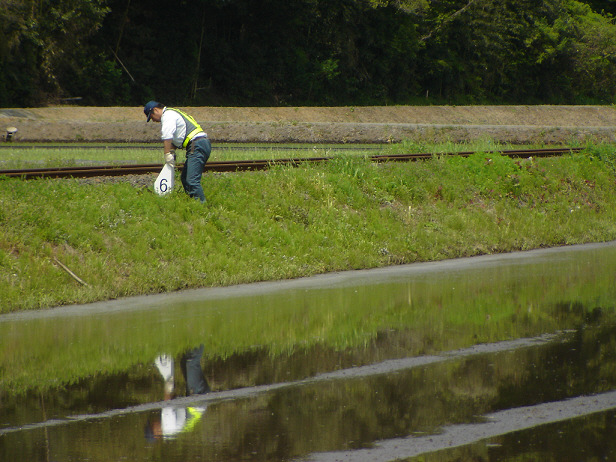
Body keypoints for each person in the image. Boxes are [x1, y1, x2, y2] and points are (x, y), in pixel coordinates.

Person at [143, 101, 211, 202]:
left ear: (155, 110)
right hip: (199, 144)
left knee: (192, 181)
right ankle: (193, 203)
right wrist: (171, 150)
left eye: (151, 117)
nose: (153, 120)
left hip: (197, 145)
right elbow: (179, 138)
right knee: (185, 179)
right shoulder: (173, 112)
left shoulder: (167, 115)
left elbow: (167, 135)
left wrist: (166, 153)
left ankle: (202, 206)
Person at [145, 344, 211, 440]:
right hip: (197, 397)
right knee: (191, 362)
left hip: (198, 400)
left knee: (184, 362)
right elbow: (168, 402)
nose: (152, 421)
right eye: (151, 426)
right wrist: (168, 381)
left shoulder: (170, 432)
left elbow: (173, 399)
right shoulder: (167, 426)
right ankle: (200, 338)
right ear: (156, 433)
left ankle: (194, 340)